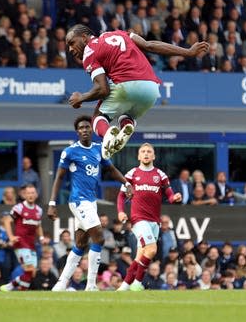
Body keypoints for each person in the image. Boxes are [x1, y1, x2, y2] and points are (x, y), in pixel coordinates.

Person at [64, 25, 209, 159]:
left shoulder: (89, 52)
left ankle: (108, 135)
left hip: (125, 86)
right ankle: (127, 126)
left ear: (84, 37)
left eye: (71, 43)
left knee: (97, 117)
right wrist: (188, 52)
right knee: (127, 114)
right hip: (151, 89)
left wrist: (81, 97)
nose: (70, 49)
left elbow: (102, 89)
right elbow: (150, 45)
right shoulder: (121, 33)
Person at [48, 115, 132, 291]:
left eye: (87, 127)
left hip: (91, 202)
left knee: (80, 244)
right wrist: (52, 202)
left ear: (92, 130)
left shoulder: (98, 149)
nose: (85, 130)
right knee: (99, 238)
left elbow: (110, 169)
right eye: (81, 128)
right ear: (77, 132)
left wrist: (126, 183)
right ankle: (91, 284)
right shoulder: (70, 151)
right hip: (78, 201)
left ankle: (61, 283)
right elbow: (59, 178)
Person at [116, 143, 182, 291]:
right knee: (152, 249)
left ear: (153, 156)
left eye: (149, 151)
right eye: (143, 152)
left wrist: (175, 198)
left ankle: (125, 286)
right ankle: (137, 282)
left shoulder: (160, 175)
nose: (146, 154)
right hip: (138, 219)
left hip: (154, 222)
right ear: (139, 156)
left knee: (141, 256)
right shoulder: (132, 174)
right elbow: (121, 196)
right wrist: (120, 211)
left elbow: (169, 195)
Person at [0, 184, 46, 291]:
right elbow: (7, 221)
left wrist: (42, 237)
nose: (30, 195)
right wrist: (11, 236)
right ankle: (12, 288)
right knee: (29, 270)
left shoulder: (38, 210)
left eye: (33, 193)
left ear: (36, 195)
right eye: (28, 193)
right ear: (24, 195)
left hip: (31, 244)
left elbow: (38, 225)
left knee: (31, 272)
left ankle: (12, 288)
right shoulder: (19, 208)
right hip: (20, 243)